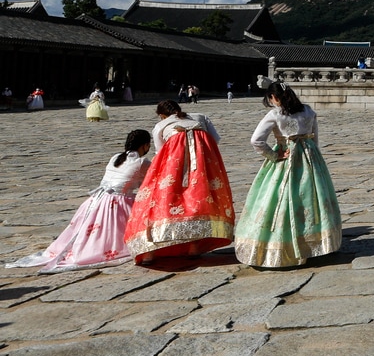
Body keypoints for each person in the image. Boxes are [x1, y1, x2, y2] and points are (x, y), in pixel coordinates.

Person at [233, 79, 342, 268]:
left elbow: (256, 140)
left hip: (287, 157)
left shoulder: (276, 114)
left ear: (274, 97)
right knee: (311, 198)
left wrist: (274, 155)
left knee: (280, 198)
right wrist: (313, 157)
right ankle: (313, 243)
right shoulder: (308, 110)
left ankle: (283, 245)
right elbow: (314, 137)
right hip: (310, 158)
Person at [9, 130, 153, 271]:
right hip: (118, 200)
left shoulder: (115, 157)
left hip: (98, 198)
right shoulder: (142, 162)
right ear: (145, 146)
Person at [126, 100, 236, 263]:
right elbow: (215, 139)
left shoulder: (161, 125)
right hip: (203, 166)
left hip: (174, 167)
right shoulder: (200, 118)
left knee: (162, 201)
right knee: (197, 202)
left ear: (161, 115)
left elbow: (160, 151)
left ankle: (151, 247)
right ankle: (194, 246)